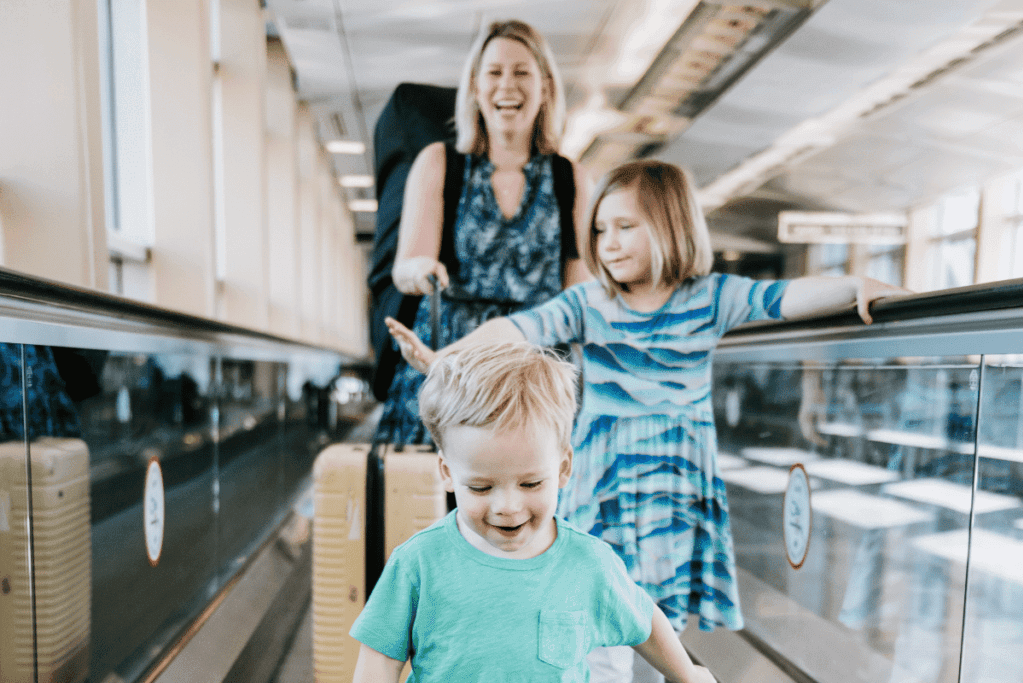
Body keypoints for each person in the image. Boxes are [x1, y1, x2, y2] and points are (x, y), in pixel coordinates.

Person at [386, 160, 911, 681]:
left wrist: (854, 285)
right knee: (599, 615)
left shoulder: (711, 297)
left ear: (669, 226)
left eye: (625, 227)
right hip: (605, 481)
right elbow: (517, 329)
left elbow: (783, 299)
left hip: (672, 486)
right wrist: (443, 358)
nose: (608, 243)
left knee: (657, 623)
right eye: (599, 230)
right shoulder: (591, 301)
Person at [351, 341, 718, 683]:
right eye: (481, 487)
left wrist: (687, 675)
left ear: (562, 468)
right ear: (447, 473)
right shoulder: (419, 563)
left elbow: (645, 621)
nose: (508, 507)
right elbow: (380, 657)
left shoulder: (588, 563)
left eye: (531, 484)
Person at [378, 19, 590, 445]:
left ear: (545, 87)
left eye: (521, 72)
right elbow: (405, 267)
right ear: (475, 88)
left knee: (528, 502)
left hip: (534, 381)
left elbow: (578, 292)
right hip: (451, 371)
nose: (506, 86)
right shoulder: (440, 164)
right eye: (494, 73)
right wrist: (420, 270)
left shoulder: (570, 178)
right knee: (433, 500)